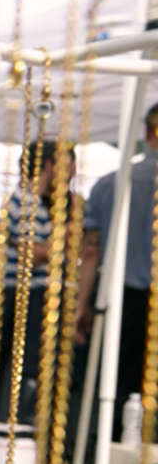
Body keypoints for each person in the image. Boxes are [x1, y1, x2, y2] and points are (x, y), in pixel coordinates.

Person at [77, 103, 158, 410]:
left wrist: (81, 305)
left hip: (119, 298)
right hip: (134, 295)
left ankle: (108, 436)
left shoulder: (111, 184)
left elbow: (91, 251)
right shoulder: (111, 183)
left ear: (147, 133)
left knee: (113, 385)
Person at [0, 139, 81, 424]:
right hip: (26, 296)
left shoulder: (36, 202)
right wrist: (69, 231)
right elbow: (32, 253)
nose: (70, 174)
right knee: (26, 366)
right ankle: (15, 424)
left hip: (33, 295)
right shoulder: (26, 201)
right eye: (67, 167)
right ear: (48, 165)